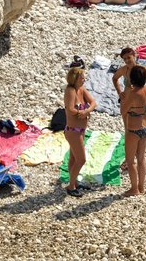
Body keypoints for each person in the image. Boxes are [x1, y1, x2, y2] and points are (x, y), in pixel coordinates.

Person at [63, 64, 96, 198]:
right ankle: (71, 186)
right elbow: (70, 109)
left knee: (73, 158)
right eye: (81, 77)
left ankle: (74, 182)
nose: (84, 79)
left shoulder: (81, 89)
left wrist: (86, 111)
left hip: (80, 130)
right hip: (73, 131)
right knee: (81, 159)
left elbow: (93, 102)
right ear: (75, 79)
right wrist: (81, 113)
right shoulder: (70, 91)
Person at [121, 65, 146, 197]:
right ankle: (142, 186)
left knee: (130, 160)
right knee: (141, 158)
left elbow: (123, 110)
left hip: (133, 128)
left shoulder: (133, 94)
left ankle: (134, 188)